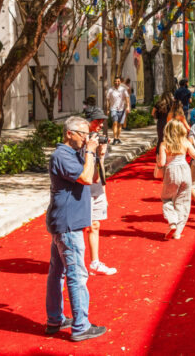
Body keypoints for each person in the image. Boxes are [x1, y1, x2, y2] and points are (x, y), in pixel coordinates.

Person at [45, 116, 108, 342]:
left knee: (58, 272)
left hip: (66, 221)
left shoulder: (74, 154)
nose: (86, 137)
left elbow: (95, 178)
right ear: (69, 133)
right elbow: (84, 177)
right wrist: (90, 152)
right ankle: (81, 325)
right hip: (68, 223)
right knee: (76, 274)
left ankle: (55, 319)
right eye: (82, 133)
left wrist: (97, 154)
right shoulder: (62, 155)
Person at [81, 108, 116, 276]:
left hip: (96, 190)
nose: (100, 124)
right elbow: (87, 175)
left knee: (95, 225)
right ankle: (76, 263)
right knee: (81, 227)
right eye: (97, 121)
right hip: (82, 191)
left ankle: (94, 262)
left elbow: (99, 175)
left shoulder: (100, 141)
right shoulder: (80, 142)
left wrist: (101, 156)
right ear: (87, 122)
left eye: (102, 121)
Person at [158, 119, 195, 239]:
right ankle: (178, 232)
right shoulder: (186, 142)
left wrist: (158, 162)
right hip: (185, 171)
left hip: (172, 171)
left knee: (167, 199)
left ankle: (172, 222)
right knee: (183, 201)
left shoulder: (164, 144)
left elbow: (161, 163)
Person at [106, 76, 130, 145]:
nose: (117, 83)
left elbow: (127, 98)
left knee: (120, 125)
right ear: (114, 82)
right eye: (115, 81)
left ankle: (118, 138)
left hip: (122, 109)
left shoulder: (123, 89)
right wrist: (107, 109)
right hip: (113, 109)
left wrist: (128, 107)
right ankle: (115, 138)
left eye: (118, 81)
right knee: (115, 123)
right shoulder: (111, 90)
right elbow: (107, 99)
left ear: (120, 82)